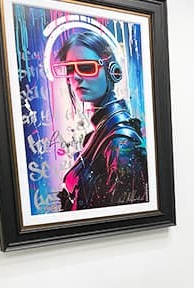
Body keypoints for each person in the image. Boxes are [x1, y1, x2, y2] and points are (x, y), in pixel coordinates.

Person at [52, 31, 148, 211]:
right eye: (70, 69)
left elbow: (124, 218)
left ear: (113, 71)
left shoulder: (120, 141)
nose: (76, 77)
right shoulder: (98, 134)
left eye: (86, 67)